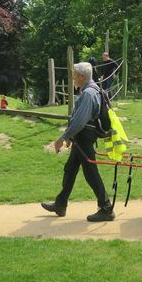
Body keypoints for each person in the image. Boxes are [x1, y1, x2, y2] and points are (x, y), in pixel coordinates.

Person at [41, 62, 115, 222]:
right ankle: (61, 204)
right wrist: (71, 137)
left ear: (82, 76)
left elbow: (80, 120)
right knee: (70, 169)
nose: (73, 78)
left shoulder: (89, 93)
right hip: (81, 137)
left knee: (91, 173)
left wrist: (64, 137)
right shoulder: (93, 90)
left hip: (84, 137)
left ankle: (106, 209)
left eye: (74, 75)